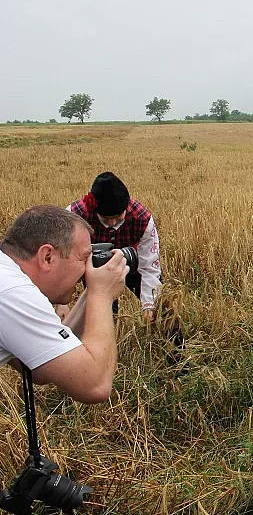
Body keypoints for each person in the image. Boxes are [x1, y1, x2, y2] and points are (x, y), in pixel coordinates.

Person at [0, 205, 127, 403]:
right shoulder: (14, 293)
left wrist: (92, 292)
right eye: (84, 257)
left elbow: (39, 368)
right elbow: (95, 384)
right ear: (47, 257)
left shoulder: (7, 279)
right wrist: (101, 295)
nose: (87, 268)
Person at [67, 172, 162, 318]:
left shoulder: (142, 218)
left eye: (118, 217)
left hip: (132, 264)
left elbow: (149, 265)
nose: (112, 223)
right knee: (102, 314)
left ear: (126, 207)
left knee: (162, 306)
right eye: (105, 218)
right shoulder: (75, 216)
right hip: (96, 270)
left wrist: (149, 304)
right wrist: (62, 304)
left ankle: (177, 339)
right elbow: (65, 260)